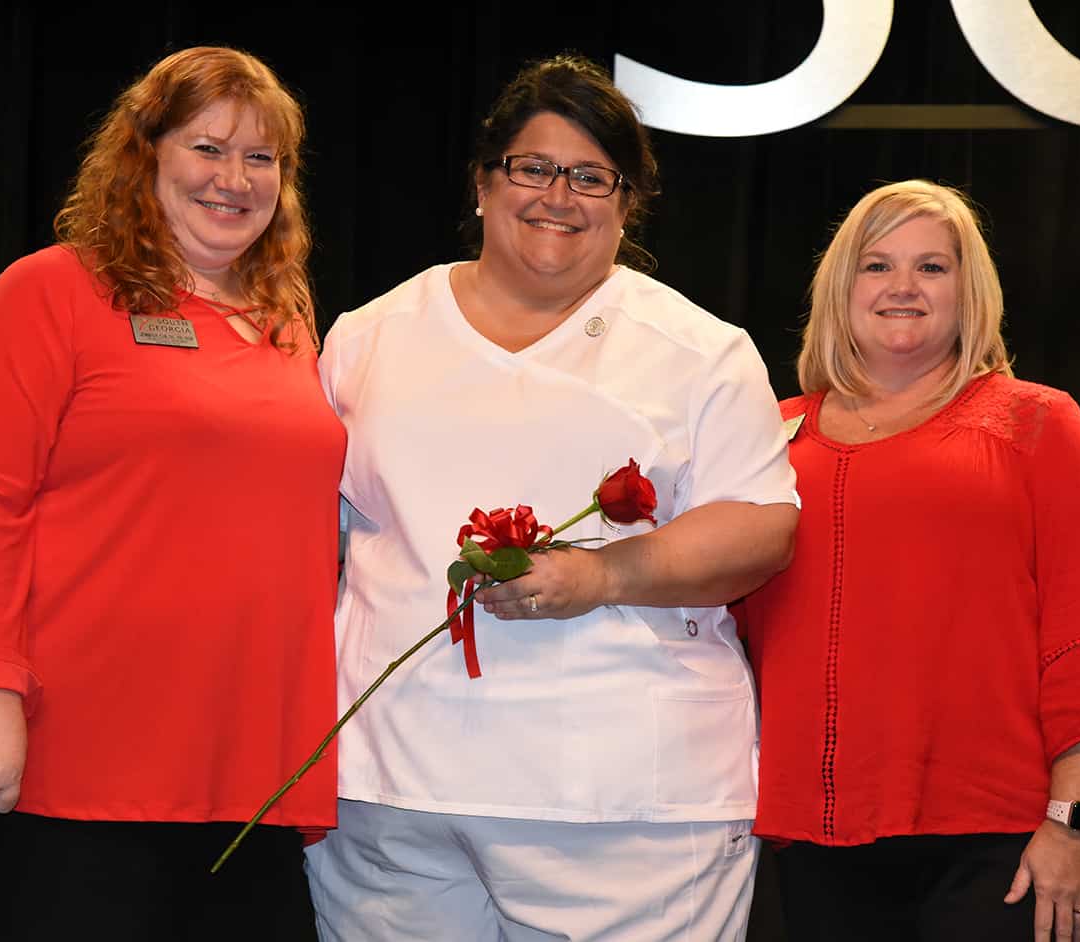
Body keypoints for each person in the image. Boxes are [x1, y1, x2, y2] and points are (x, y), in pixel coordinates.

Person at [304, 54, 799, 941]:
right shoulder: (370, 337)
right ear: (484, 181)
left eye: (590, 176)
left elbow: (760, 528)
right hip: (395, 787)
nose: (556, 197)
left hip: (623, 806)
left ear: (627, 198)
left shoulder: (698, 350)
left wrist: (600, 576)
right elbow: (316, 537)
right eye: (532, 167)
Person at [0, 46, 344, 940]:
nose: (234, 179)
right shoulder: (48, 292)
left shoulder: (286, 320)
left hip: (247, 776)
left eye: (261, 158)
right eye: (207, 148)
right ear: (144, 154)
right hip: (71, 764)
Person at [739, 179, 1080, 942]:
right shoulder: (764, 437)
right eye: (877, 265)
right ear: (840, 286)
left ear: (969, 290)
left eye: (933, 267)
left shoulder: (1040, 424)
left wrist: (1076, 821)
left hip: (1007, 845)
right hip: (813, 843)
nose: (903, 288)